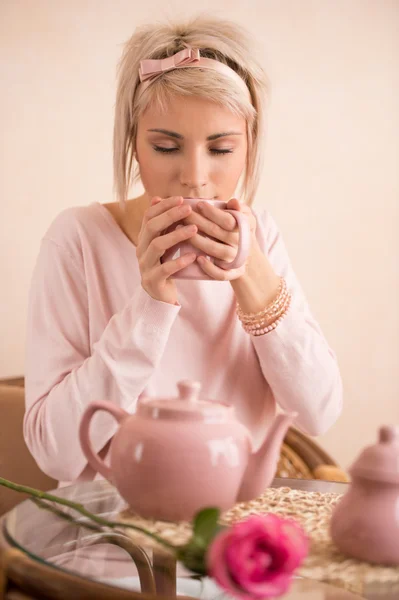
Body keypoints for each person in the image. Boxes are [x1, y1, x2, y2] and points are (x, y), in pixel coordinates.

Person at [24, 16, 343, 486]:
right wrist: (149, 305)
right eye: (167, 146)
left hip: (231, 542)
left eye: (221, 148)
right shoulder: (78, 238)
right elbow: (55, 455)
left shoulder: (264, 236)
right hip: (113, 543)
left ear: (250, 147)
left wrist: (252, 272)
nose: (195, 176)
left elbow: (318, 412)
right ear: (134, 143)